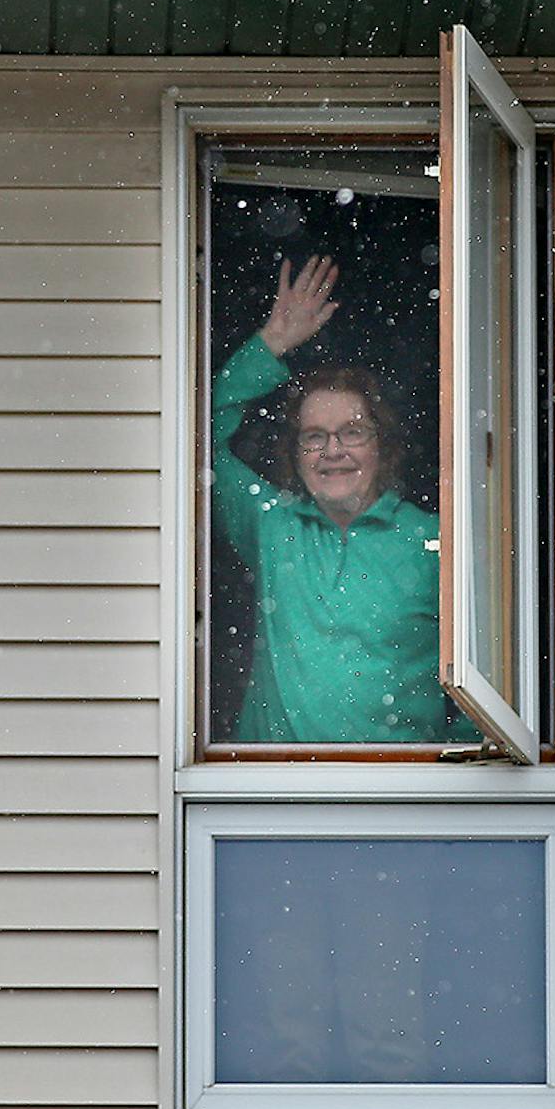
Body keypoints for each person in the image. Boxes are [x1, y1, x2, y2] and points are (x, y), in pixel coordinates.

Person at [211, 254, 472, 744]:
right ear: (296, 451)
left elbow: (478, 692)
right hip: (274, 796)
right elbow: (195, 437)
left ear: (382, 443)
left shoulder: (435, 542)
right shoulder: (271, 525)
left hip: (401, 796)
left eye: (351, 433)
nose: (332, 451)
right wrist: (271, 344)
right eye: (314, 436)